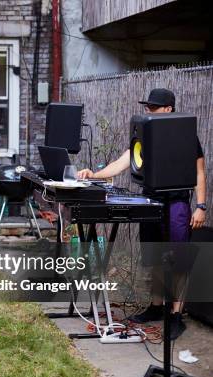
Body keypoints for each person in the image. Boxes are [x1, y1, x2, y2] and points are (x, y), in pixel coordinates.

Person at [77, 88, 206, 340]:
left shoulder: (186, 135)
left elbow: (199, 171)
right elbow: (123, 161)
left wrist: (200, 206)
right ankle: (156, 307)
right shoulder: (146, 134)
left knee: (178, 261)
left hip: (177, 203)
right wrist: (93, 174)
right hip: (151, 201)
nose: (148, 111)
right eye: (147, 107)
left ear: (168, 109)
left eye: (154, 108)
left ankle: (176, 315)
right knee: (154, 257)